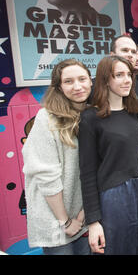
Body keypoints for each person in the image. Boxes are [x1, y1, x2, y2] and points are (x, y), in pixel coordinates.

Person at [78, 55, 138, 255]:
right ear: (105, 80)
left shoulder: (132, 111)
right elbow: (87, 172)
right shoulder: (90, 118)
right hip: (114, 195)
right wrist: (93, 222)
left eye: (128, 75)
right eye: (119, 75)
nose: (127, 80)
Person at [22, 59, 92, 255]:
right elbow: (45, 174)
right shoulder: (47, 118)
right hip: (56, 219)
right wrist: (65, 221)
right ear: (59, 88)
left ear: (91, 81)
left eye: (82, 79)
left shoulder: (91, 115)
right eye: (68, 81)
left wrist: (83, 215)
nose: (77, 86)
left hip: (83, 218)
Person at [109, 35, 138, 120]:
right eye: (125, 50)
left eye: (133, 52)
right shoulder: (95, 85)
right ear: (112, 55)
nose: (130, 55)